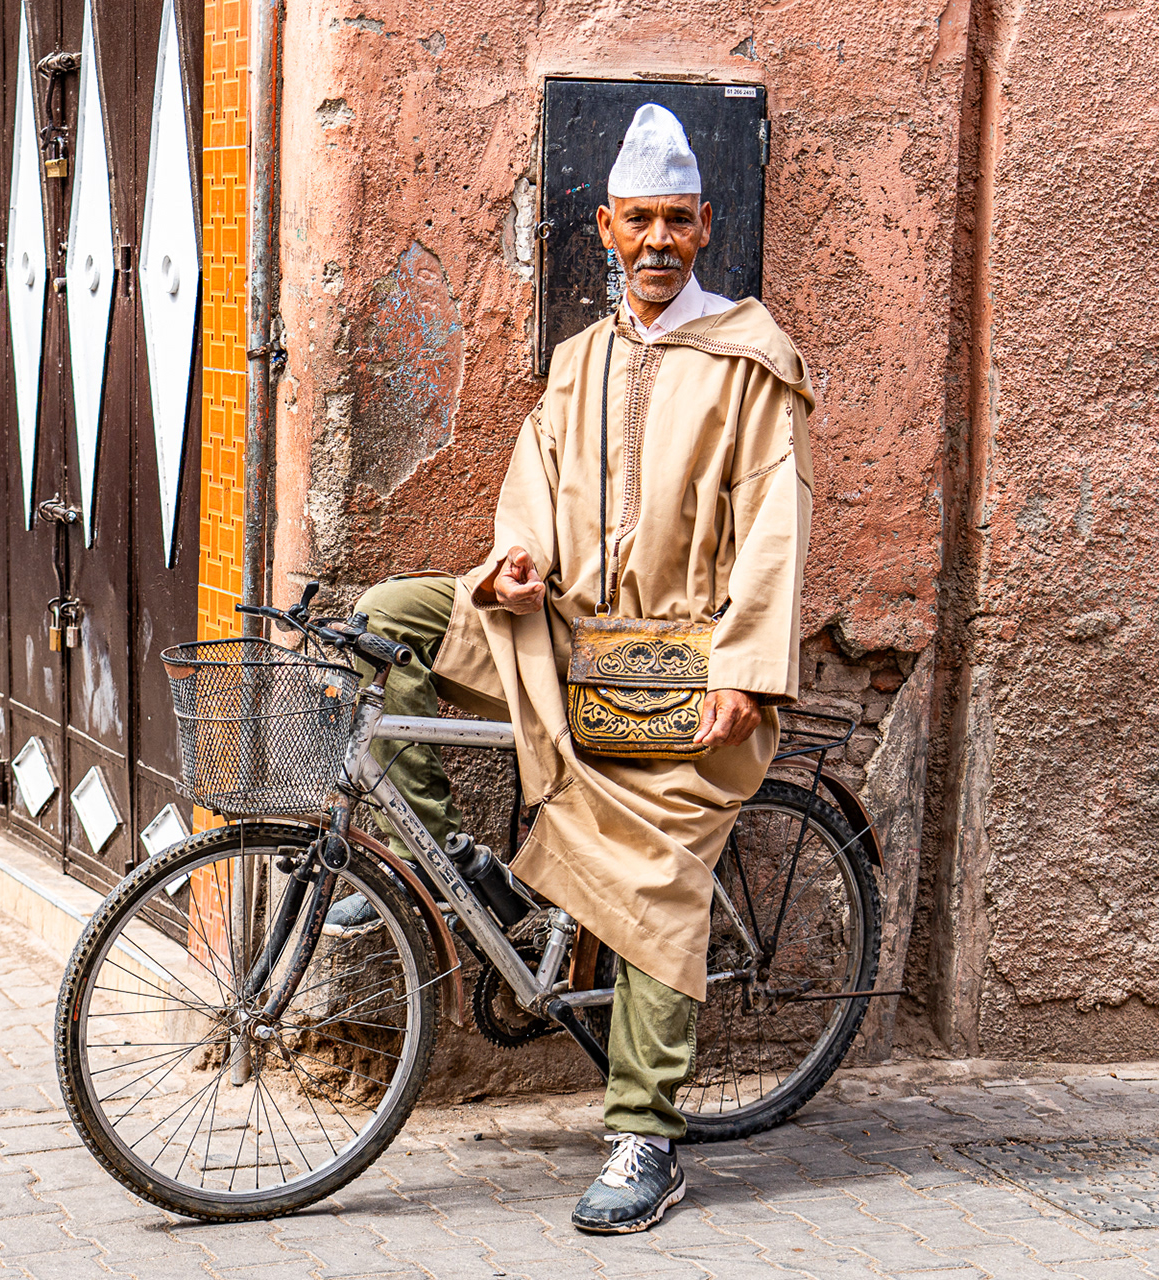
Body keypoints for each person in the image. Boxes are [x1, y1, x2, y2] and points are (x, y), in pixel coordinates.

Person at [349, 103, 815, 1234]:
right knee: (388, 618)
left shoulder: (753, 361)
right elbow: (534, 493)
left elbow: (773, 520)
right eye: (635, 220)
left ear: (704, 227)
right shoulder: (580, 359)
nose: (655, 240)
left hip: (687, 658)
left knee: (658, 880)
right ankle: (464, 858)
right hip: (570, 632)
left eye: (676, 221)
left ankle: (645, 1134)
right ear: (604, 226)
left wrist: (745, 667)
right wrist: (512, 564)